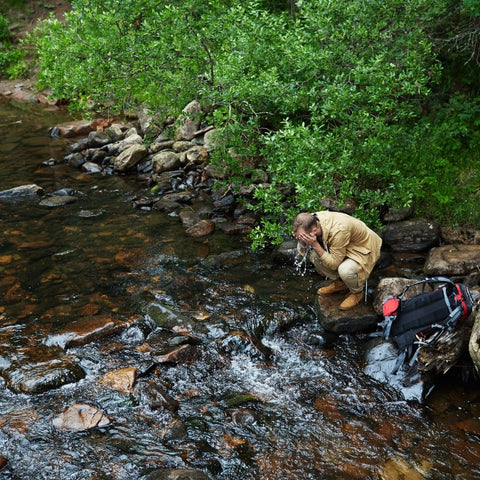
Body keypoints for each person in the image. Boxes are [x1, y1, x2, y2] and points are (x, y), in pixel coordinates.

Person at [292, 211, 382, 310]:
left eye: (303, 237)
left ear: (314, 231)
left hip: (363, 248)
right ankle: (339, 283)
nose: (302, 239)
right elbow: (302, 249)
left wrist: (315, 244)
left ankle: (357, 292)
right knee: (313, 254)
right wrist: (301, 242)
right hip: (342, 245)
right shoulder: (310, 220)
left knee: (345, 270)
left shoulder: (339, 230)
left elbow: (334, 264)